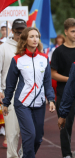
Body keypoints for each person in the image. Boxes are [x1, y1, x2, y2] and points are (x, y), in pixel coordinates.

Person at [2, 27, 56, 158]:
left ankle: (25, 153)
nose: (35, 39)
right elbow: (10, 84)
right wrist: (6, 102)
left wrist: (51, 99)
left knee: (38, 138)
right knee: (30, 135)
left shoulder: (44, 59)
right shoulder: (17, 59)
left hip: (39, 103)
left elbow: (47, 82)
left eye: (37, 36)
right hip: (22, 103)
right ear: (25, 40)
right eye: (31, 36)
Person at [51, 18, 75, 158]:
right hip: (64, 93)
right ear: (65, 32)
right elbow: (53, 74)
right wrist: (71, 79)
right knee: (65, 126)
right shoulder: (58, 52)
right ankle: (67, 154)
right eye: (72, 31)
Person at [0, 19, 26, 157]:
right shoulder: (4, 47)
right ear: (12, 31)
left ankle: (24, 152)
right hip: (11, 92)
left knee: (32, 132)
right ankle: (12, 156)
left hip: (30, 93)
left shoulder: (31, 45)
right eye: (17, 32)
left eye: (23, 32)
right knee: (12, 131)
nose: (20, 35)